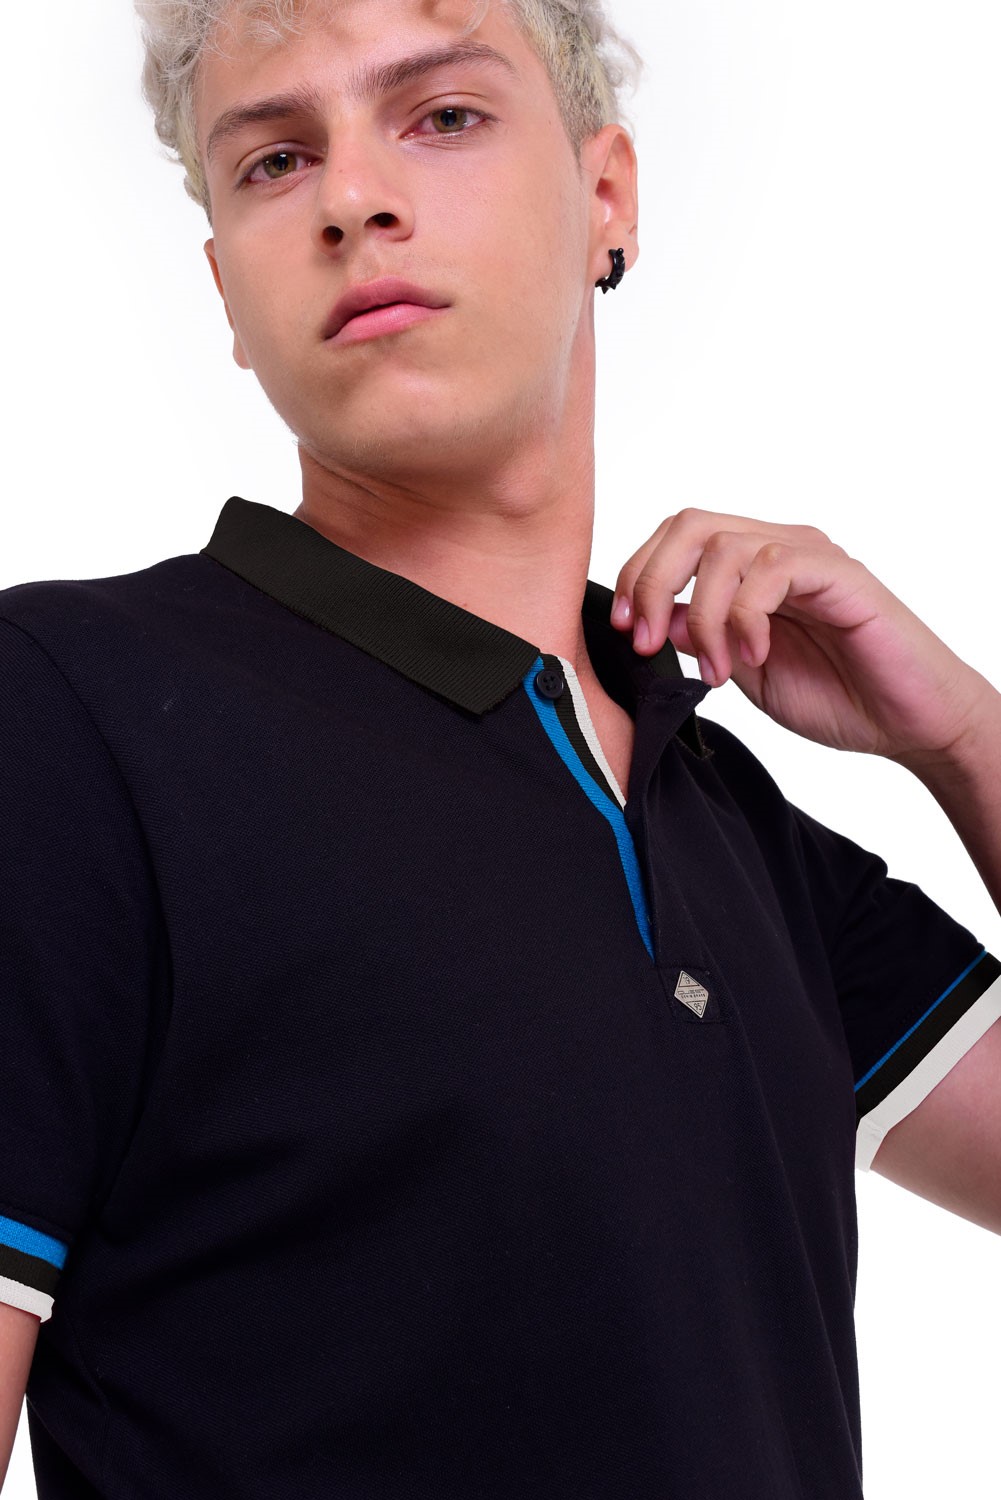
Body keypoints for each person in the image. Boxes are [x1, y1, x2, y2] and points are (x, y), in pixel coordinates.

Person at [1, 0, 998, 1495]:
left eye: (443, 116)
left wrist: (963, 734)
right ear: (226, 293)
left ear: (606, 196)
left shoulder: (722, 817)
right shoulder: (63, 715)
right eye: (274, 161)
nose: (352, 197)